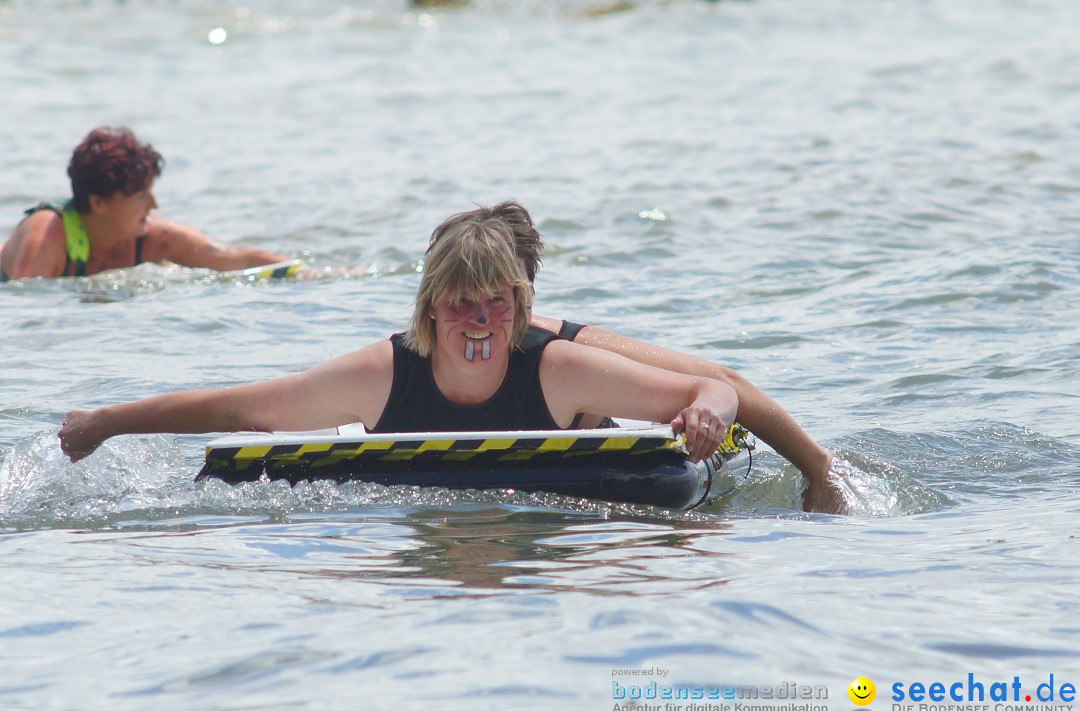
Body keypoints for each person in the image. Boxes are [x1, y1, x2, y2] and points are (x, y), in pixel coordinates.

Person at [59, 205, 739, 470]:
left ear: (519, 305)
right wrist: (108, 422)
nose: (480, 323)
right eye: (461, 305)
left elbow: (710, 389)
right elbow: (244, 410)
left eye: (496, 306)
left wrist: (710, 410)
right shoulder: (382, 375)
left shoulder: (559, 369)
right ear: (432, 311)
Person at [473, 201, 841, 514]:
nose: (480, 313)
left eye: (500, 290)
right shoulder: (424, 351)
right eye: (465, 289)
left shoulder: (565, 347)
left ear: (527, 292)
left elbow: (725, 383)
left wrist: (817, 468)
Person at [0, 126, 287, 282]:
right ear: (98, 203)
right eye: (140, 196)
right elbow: (28, 312)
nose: (154, 205)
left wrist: (313, 276)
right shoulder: (48, 234)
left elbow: (234, 259)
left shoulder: (154, 238)